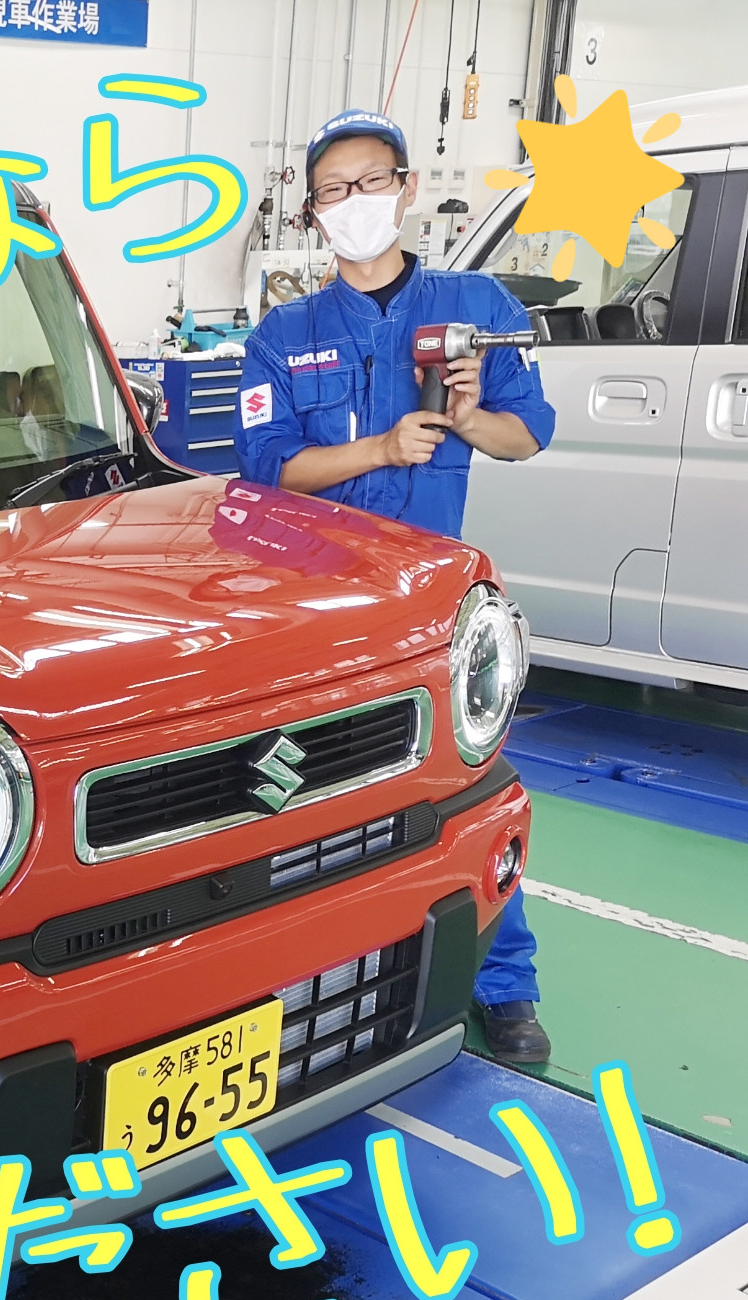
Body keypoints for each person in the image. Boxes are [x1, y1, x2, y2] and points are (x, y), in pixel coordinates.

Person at [233, 109, 557, 1065]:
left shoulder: (473, 305)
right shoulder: (284, 332)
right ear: (311, 211)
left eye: (371, 183)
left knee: (463, 788)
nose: (354, 204)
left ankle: (505, 981)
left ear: (407, 189)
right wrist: (378, 448)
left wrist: (465, 417)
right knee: (311, 802)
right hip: (313, 616)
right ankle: (311, 979)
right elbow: (264, 468)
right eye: (333, 191)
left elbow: (526, 435)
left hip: (429, 614)